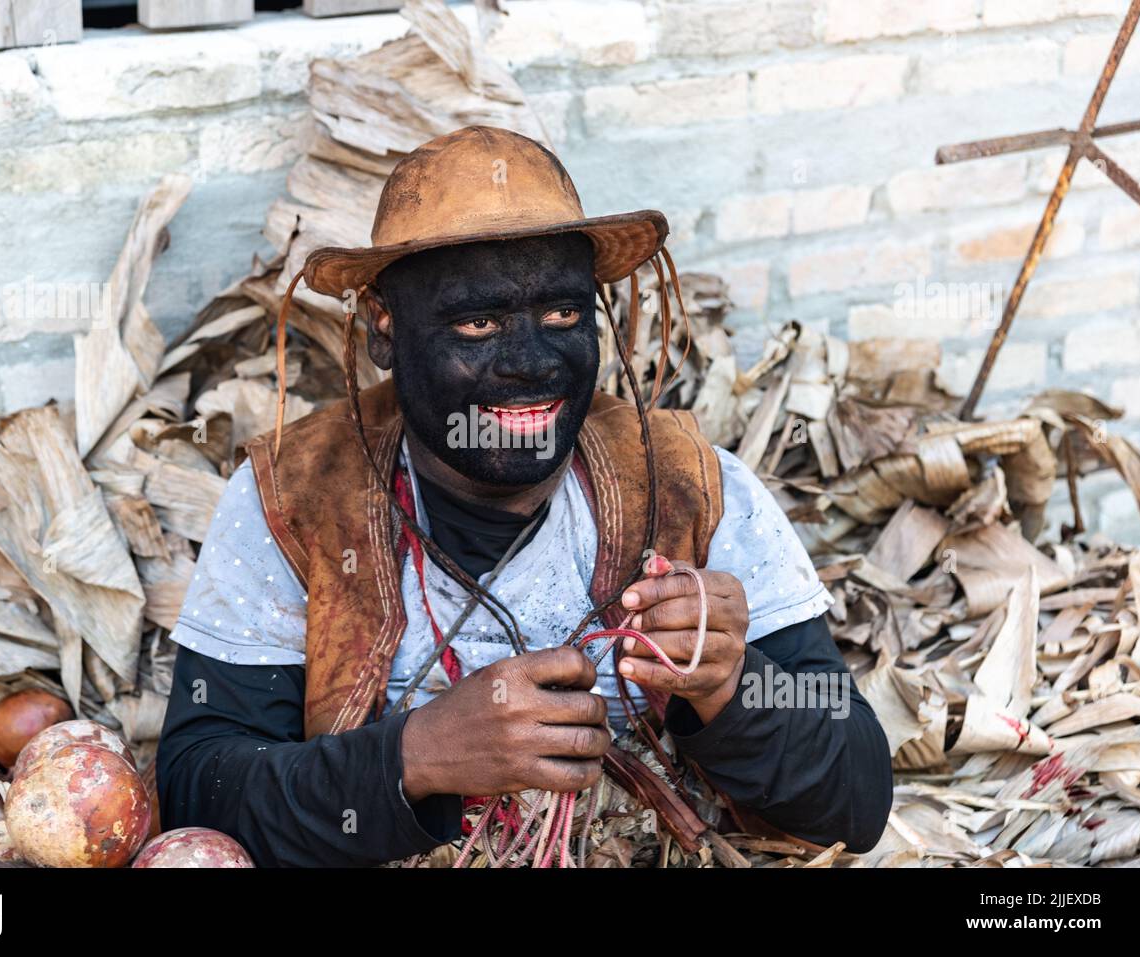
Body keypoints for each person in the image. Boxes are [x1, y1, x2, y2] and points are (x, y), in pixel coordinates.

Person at [156, 126, 893, 867]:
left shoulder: (689, 486)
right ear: (385, 327)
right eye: (477, 323)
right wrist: (415, 757)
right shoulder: (294, 500)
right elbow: (198, 791)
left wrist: (734, 688)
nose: (531, 362)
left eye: (563, 316)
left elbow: (858, 800)